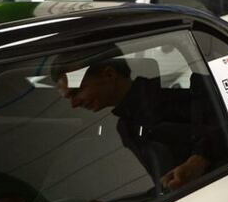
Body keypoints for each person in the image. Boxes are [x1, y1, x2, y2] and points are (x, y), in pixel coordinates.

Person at [58, 53, 216, 191]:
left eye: (77, 91)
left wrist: (199, 159)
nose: (74, 104)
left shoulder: (177, 86)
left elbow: (226, 115)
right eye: (69, 97)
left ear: (109, 74)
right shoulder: (125, 128)